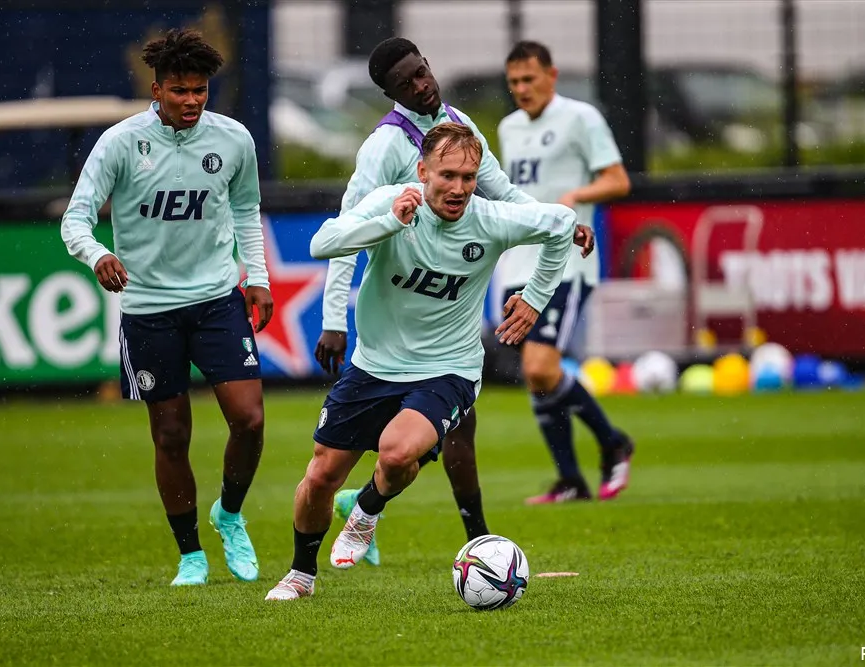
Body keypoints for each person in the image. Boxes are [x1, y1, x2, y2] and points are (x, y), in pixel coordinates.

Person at [265, 123, 587, 601]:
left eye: (469, 177)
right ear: (422, 171)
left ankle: (367, 509)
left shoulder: (492, 219)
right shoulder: (392, 203)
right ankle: (301, 575)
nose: (458, 188)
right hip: (373, 366)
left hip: (448, 369)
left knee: (397, 453)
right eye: (447, 175)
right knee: (320, 477)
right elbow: (323, 243)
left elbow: (561, 223)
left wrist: (535, 298)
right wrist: (390, 222)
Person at [318, 37, 559, 565]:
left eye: (421, 71)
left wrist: (556, 222)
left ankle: (473, 538)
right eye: (406, 83)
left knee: (458, 427)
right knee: (420, 438)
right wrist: (334, 319)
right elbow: (345, 232)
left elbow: (505, 195)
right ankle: (395, 512)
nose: (422, 85)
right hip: (397, 317)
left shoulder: (458, 124)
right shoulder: (383, 147)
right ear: (390, 94)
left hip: (445, 324)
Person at [61, 28, 274, 586]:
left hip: (217, 299)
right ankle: (191, 555)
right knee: (172, 435)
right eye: (180, 90)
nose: (192, 100)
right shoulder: (120, 143)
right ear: (156, 90)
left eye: (200, 90)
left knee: (250, 420)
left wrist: (258, 278)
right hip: (149, 309)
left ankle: (230, 514)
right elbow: (75, 219)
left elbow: (247, 209)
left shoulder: (233, 139)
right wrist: (98, 254)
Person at [496, 41, 635, 503]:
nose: (521, 89)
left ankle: (613, 442)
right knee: (537, 374)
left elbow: (618, 179)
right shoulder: (509, 128)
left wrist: (576, 196)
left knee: (540, 365)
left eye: (529, 79)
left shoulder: (581, 117)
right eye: (514, 82)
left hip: (566, 264)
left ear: (551, 76)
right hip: (519, 263)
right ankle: (571, 480)